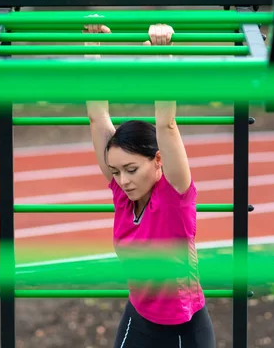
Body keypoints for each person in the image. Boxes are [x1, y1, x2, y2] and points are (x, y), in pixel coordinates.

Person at [83, 22, 217, 348]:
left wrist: (163, 53)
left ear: (157, 161)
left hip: (183, 330)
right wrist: (92, 47)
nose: (123, 181)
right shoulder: (122, 196)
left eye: (131, 169)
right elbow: (97, 117)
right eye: (115, 172)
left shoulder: (174, 197)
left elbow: (166, 125)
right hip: (139, 318)